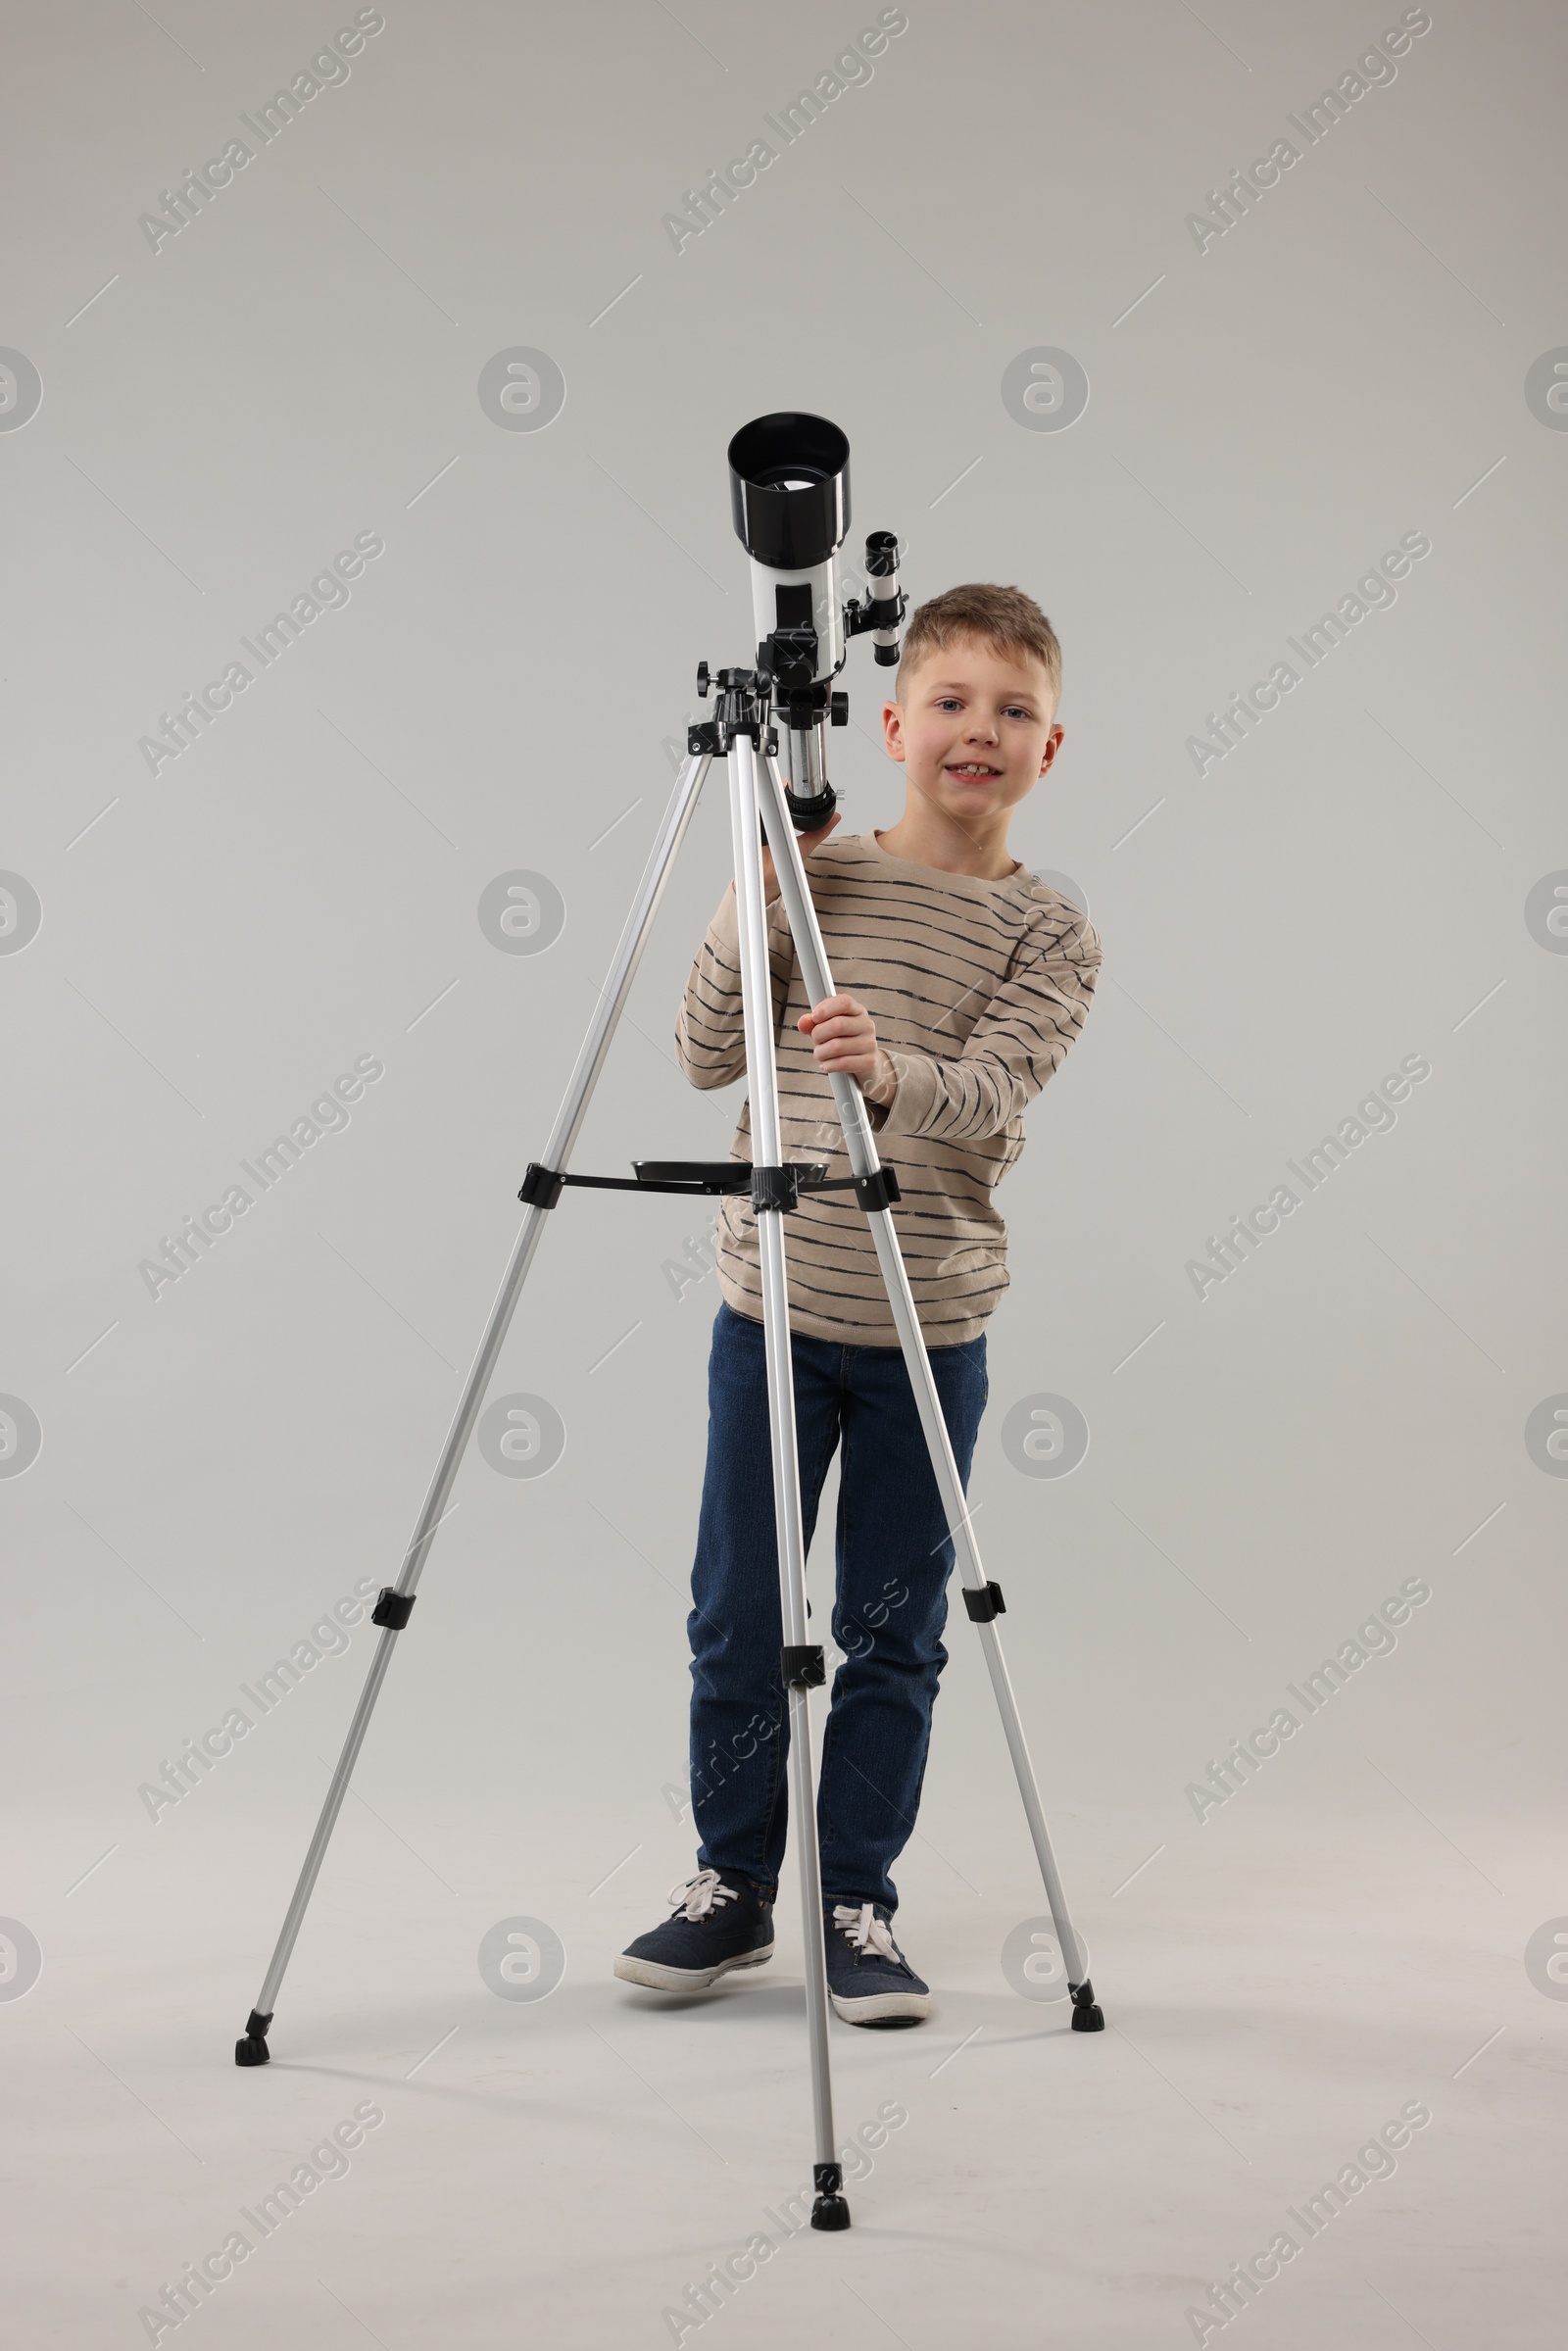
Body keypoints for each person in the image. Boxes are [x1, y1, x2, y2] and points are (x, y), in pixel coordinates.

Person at [613, 583, 1102, 2026]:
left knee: (895, 1628)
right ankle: (733, 1885)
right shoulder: (817, 879)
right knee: (738, 1613)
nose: (980, 731)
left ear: (1049, 750)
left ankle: (854, 1898)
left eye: (1014, 712)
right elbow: (706, 1052)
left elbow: (995, 1099)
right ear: (891, 724)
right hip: (769, 1313)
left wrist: (887, 1072)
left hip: (926, 1328)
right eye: (952, 703)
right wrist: (753, 889)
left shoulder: (1049, 935)